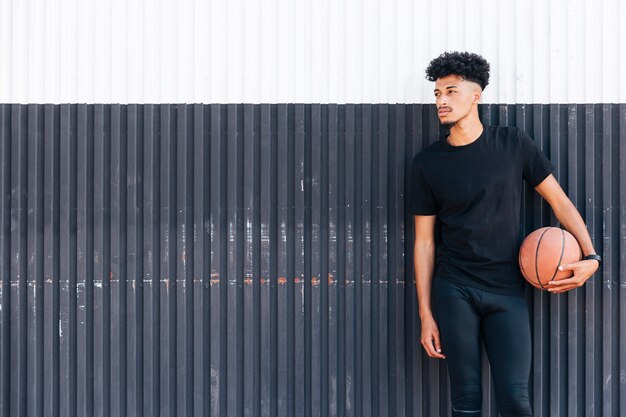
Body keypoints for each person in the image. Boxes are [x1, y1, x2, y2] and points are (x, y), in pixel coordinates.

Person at [411, 51, 600, 417]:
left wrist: (591, 256)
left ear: (476, 95)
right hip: (455, 289)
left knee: (515, 400)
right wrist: (425, 314)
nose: (441, 101)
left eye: (451, 91)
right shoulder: (427, 163)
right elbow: (424, 241)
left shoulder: (513, 143)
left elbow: (560, 203)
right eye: (437, 94)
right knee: (465, 401)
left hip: (507, 288)